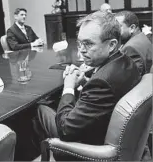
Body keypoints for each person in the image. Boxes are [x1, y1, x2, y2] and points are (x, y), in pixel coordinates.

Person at [36, 11, 141, 151]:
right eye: (80, 43)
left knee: (40, 108)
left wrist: (68, 87)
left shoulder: (101, 83)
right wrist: (85, 81)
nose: (81, 51)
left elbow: (65, 129)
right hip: (122, 139)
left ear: (111, 45)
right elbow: (108, 95)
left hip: (91, 147)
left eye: (88, 44)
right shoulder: (127, 61)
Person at [115, 11, 152, 75]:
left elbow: (131, 78)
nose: (115, 31)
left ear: (132, 28)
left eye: (118, 27)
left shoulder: (130, 48)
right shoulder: (141, 36)